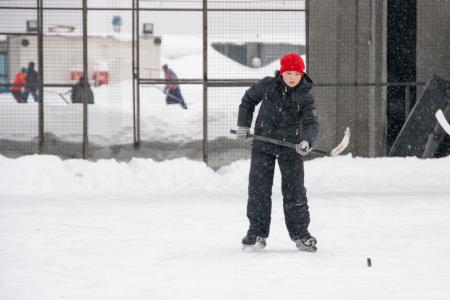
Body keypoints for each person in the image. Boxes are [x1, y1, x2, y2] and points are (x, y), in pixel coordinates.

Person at [236, 52, 320, 252]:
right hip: (263, 144)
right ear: (281, 73)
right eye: (288, 73)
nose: (292, 77)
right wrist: (243, 125)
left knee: (295, 190)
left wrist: (307, 140)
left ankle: (301, 234)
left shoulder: (306, 96)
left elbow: (311, 122)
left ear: (302, 74)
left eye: (296, 74)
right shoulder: (268, 85)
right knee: (258, 189)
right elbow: (248, 100)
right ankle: (256, 232)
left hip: (291, 147)